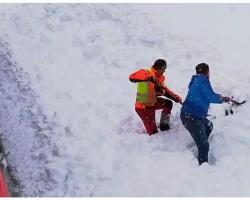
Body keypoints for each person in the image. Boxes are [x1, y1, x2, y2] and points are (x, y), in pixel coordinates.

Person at [180, 63, 231, 165]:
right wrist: (223, 98)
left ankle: (200, 141)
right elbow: (210, 96)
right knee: (204, 146)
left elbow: (206, 96)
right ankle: (202, 167)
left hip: (195, 116)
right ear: (207, 72)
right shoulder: (202, 80)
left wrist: (223, 99)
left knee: (209, 126)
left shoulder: (196, 80)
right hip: (191, 117)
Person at [129, 59, 182, 136]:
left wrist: (176, 98)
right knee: (153, 133)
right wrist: (147, 78)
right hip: (143, 108)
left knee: (168, 104)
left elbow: (164, 90)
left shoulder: (160, 78)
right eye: (164, 69)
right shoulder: (145, 72)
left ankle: (164, 126)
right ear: (159, 68)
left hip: (153, 103)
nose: (164, 71)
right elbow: (132, 77)